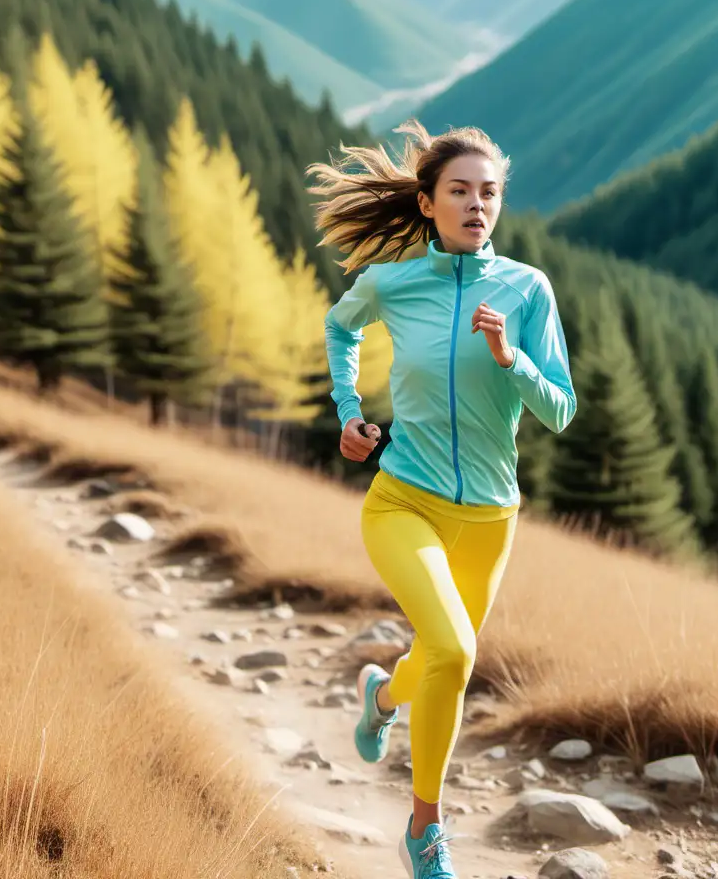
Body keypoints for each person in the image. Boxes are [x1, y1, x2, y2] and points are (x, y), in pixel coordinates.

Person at [305, 120, 577, 879]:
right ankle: (424, 830)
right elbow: (339, 328)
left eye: (488, 193)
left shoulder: (527, 290)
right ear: (427, 203)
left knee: (435, 659)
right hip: (404, 503)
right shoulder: (395, 283)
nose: (476, 205)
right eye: (459, 191)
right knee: (456, 651)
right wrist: (346, 413)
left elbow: (560, 409)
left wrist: (511, 358)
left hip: (490, 519)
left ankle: (382, 696)